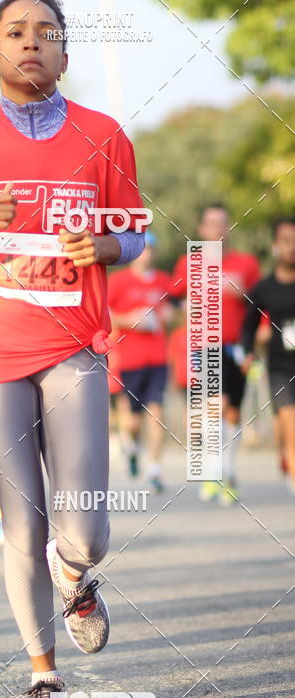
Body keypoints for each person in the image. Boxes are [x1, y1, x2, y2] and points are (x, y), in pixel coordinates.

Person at [0, 0, 146, 698]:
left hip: (73, 341)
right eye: (15, 33)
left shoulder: (105, 134)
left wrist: (107, 247)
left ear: (64, 55)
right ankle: (43, 682)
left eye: (46, 33)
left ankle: (75, 578)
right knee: (23, 521)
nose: (31, 43)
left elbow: (135, 233)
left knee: (86, 531)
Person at [172, 204, 261, 504]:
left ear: (229, 227)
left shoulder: (246, 263)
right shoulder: (189, 262)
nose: (218, 229)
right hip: (203, 343)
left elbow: (259, 304)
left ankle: (228, 469)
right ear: (201, 229)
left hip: (237, 345)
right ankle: (214, 471)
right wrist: (184, 307)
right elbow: (174, 301)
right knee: (214, 405)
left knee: (233, 410)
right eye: (211, 223)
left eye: (223, 223)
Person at [108, 232, 173, 491]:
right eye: (142, 249)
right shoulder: (119, 281)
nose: (146, 253)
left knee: (156, 413)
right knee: (132, 421)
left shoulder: (163, 281)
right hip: (128, 360)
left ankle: (154, 471)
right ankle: (131, 445)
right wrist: (129, 319)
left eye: (150, 249)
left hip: (157, 358)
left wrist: (170, 315)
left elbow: (173, 311)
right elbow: (104, 314)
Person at [240, 218, 295, 494]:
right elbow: (249, 325)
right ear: (276, 246)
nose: (292, 247)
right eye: (286, 241)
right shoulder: (264, 288)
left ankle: (287, 455)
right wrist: (248, 352)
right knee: (288, 416)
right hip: (280, 366)